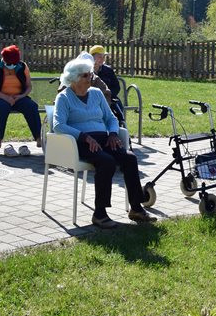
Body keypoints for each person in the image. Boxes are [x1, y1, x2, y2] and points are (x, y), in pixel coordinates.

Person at [53, 56, 155, 228]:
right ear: (75, 78)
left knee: (129, 158)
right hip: (80, 142)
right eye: (86, 76)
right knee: (106, 162)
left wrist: (113, 134)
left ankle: (136, 208)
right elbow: (58, 125)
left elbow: (111, 118)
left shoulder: (96, 93)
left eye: (91, 75)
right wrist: (84, 136)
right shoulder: (64, 97)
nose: (91, 79)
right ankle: (100, 214)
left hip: (104, 138)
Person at [0, 45, 41, 156]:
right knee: (2, 107)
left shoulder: (23, 66)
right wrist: (5, 97)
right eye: (9, 64)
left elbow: (29, 86)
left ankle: (38, 137)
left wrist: (21, 96)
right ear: (3, 60)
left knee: (31, 106)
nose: (12, 66)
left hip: (18, 97)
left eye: (14, 63)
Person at [89, 45, 125, 125]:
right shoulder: (86, 70)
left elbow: (116, 87)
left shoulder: (108, 70)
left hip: (108, 98)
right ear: (92, 57)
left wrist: (108, 95)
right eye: (99, 57)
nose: (102, 59)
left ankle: (118, 128)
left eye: (104, 57)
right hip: (91, 99)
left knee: (117, 107)